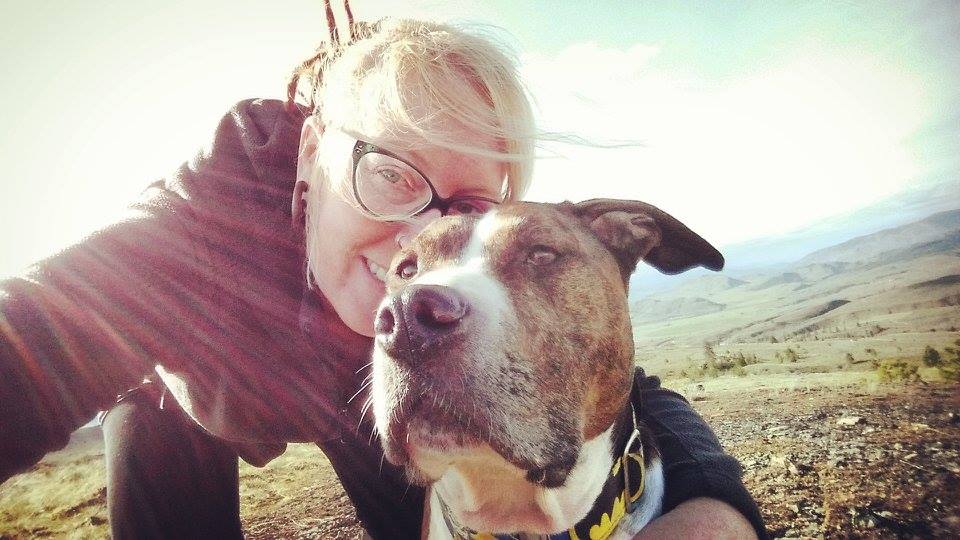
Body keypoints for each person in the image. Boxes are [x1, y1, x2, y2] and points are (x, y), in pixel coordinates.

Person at [0, 14, 766, 540]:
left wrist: (715, 505)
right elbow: (36, 336)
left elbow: (612, 374)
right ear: (312, 155)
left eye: (468, 208)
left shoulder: (426, 316)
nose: (421, 239)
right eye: (392, 173)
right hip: (189, 396)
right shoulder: (200, 232)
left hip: (363, 390)